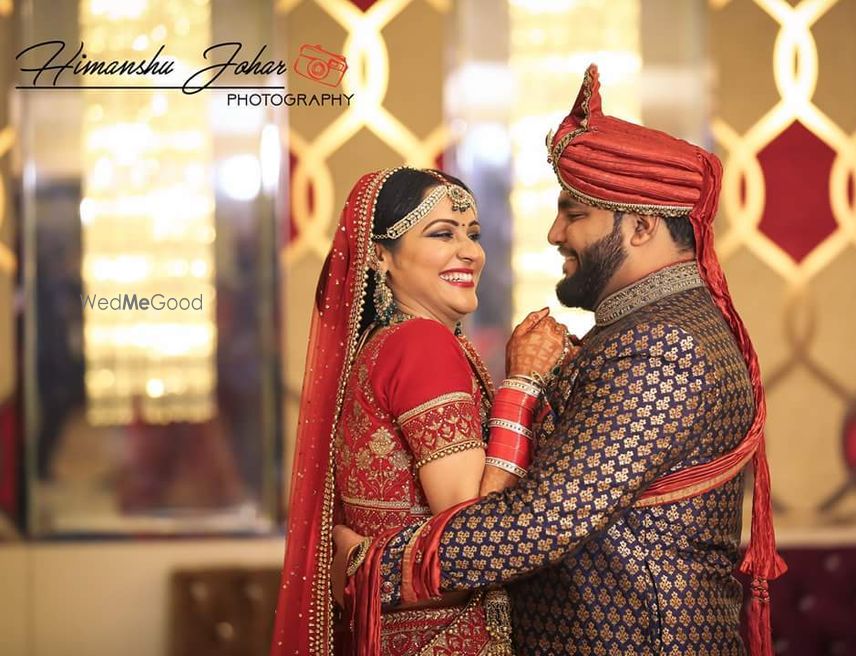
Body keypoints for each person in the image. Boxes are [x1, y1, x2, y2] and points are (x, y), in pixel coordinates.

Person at [333, 65, 787, 655]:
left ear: (640, 227)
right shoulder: (633, 332)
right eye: (444, 234)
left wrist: (376, 569)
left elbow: (546, 519)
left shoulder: (663, 346)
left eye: (574, 214)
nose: (553, 233)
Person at [270, 166, 569, 656]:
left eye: (473, 234)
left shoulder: (381, 345)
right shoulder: (421, 344)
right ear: (380, 255)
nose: (470, 251)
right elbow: (475, 533)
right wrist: (524, 382)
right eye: (442, 234)